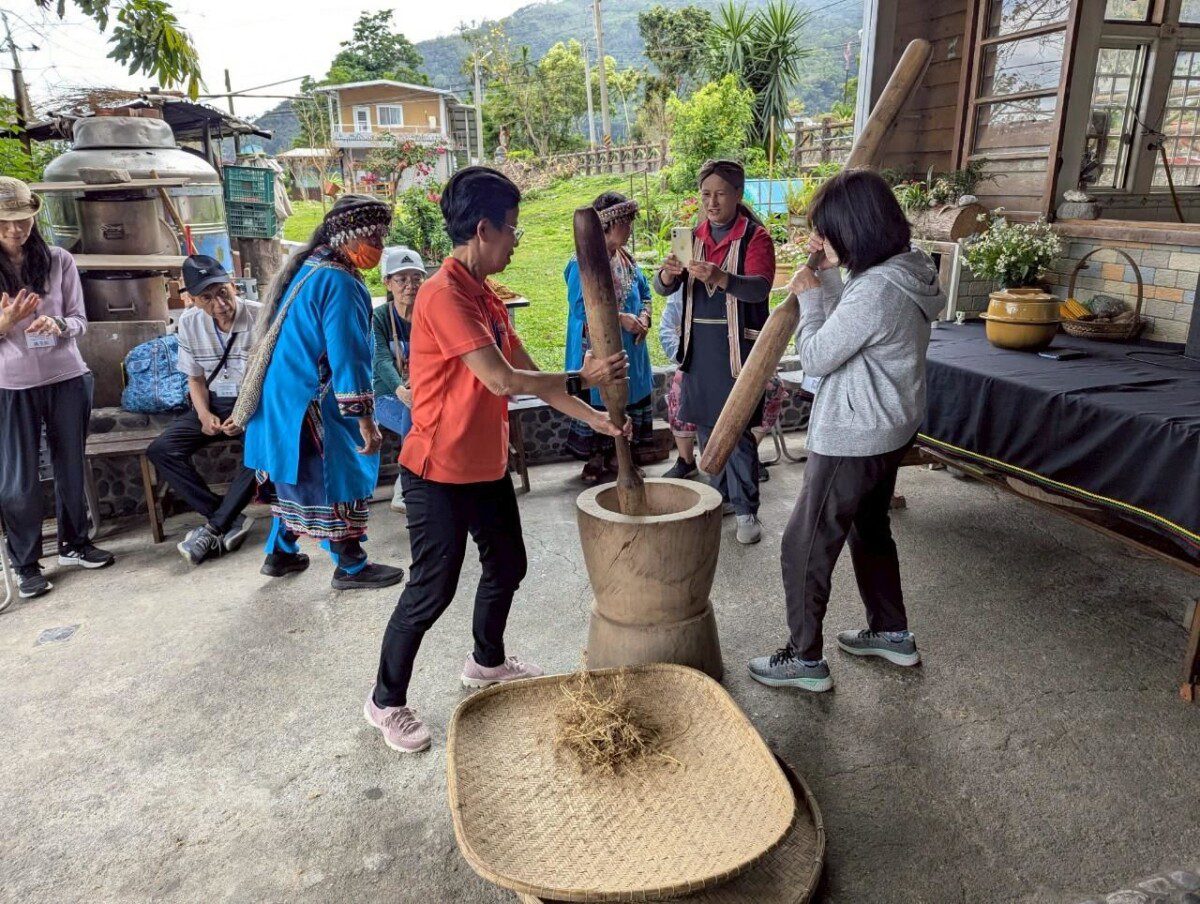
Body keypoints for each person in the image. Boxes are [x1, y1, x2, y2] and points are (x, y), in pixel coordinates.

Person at [366, 166, 629, 754]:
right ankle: (385, 701)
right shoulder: (442, 295)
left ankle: (485, 661)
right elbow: (501, 379)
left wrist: (597, 419)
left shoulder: (488, 298)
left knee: (507, 564)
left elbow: (533, 377)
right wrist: (583, 372)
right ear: (483, 229)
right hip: (436, 471)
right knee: (432, 588)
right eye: (512, 229)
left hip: (484, 468)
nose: (516, 240)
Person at [748, 169, 945, 693]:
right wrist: (832, 275)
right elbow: (853, 328)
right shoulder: (908, 269)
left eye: (832, 231)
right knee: (869, 527)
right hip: (889, 427)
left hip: (854, 434)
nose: (826, 241)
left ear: (856, 229)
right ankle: (891, 631)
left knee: (803, 545)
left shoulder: (877, 290)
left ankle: (804, 659)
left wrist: (810, 296)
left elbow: (817, 353)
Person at [242, 195, 405, 590]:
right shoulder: (341, 282)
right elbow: (349, 356)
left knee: (294, 478)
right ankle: (350, 566)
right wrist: (365, 420)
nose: (379, 249)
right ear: (348, 238)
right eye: (375, 239)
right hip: (308, 401)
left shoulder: (311, 267)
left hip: (284, 399)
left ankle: (279, 554)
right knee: (334, 478)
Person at [0, 177, 114, 599]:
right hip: (11, 386)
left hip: (67, 376)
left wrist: (60, 324)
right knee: (19, 477)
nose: (16, 229)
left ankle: (76, 544)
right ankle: (26, 562)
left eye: (23, 220)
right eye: (6, 222)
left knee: (70, 464)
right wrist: (6, 324)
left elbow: (80, 320)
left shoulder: (58, 260)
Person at [653, 159, 776, 545]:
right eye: (706, 194)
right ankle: (720, 496)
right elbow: (663, 289)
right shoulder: (691, 235)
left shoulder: (755, 237)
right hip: (700, 347)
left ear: (738, 195)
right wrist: (668, 275)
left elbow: (759, 288)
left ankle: (746, 510)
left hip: (737, 350)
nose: (712, 201)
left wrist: (721, 277)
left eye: (721, 193)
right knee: (707, 426)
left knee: (735, 429)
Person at [147, 255, 259, 566]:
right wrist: (203, 415)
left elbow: (273, 377)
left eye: (223, 292)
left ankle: (215, 527)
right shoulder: (189, 323)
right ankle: (228, 517)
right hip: (214, 401)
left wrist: (246, 413)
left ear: (233, 287)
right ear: (194, 301)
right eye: (207, 298)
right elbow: (194, 378)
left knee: (260, 452)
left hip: (255, 401)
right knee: (162, 450)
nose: (220, 304)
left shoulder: (261, 316)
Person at [564, 191, 654, 483]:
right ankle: (596, 457)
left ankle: (621, 457)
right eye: (626, 222)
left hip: (631, 346)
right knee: (600, 395)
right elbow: (580, 308)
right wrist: (620, 319)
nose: (630, 228)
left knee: (628, 397)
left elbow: (645, 294)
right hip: (597, 347)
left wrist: (643, 317)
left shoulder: (627, 260)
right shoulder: (582, 263)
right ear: (610, 224)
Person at [660, 287, 788, 483]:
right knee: (681, 387)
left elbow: (761, 330)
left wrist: (762, 362)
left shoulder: (743, 281)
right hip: (698, 361)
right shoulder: (686, 285)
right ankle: (686, 461)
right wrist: (686, 359)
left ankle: (746, 454)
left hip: (743, 363)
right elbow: (667, 328)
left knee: (772, 387)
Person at [372, 246, 423, 514]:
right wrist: (400, 388)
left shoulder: (429, 313)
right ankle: (409, 486)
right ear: (387, 283)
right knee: (412, 413)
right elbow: (380, 359)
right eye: (402, 279)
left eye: (416, 278)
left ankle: (408, 485)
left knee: (417, 411)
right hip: (385, 395)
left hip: (423, 393)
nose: (410, 286)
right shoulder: (380, 317)